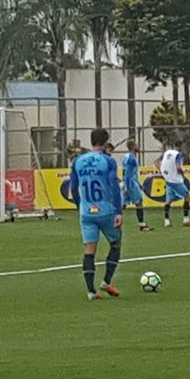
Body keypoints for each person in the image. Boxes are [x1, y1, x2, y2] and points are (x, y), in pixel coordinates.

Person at [68, 128, 124, 301]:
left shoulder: (78, 161)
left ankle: (91, 292)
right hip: (105, 210)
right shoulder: (108, 161)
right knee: (115, 243)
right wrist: (118, 212)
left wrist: (80, 207)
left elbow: (74, 188)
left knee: (89, 251)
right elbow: (114, 186)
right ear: (106, 141)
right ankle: (106, 281)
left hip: (86, 212)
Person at [158, 141, 190, 228]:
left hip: (168, 179)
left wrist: (163, 173)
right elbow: (178, 167)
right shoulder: (179, 155)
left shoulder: (167, 153)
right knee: (187, 197)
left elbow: (157, 162)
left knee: (169, 200)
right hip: (176, 181)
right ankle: (186, 220)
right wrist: (183, 175)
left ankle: (166, 221)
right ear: (181, 147)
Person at [121, 139, 152, 231]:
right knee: (139, 203)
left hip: (129, 182)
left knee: (122, 204)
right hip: (130, 183)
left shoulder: (126, 156)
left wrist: (139, 184)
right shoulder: (132, 159)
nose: (138, 146)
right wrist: (128, 187)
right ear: (133, 147)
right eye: (136, 145)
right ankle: (142, 225)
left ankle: (112, 222)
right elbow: (128, 174)